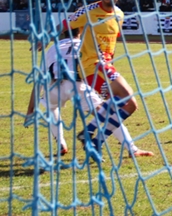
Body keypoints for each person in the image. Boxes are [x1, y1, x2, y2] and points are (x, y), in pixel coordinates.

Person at [54, 0, 152, 158]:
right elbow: (64, 24)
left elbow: (112, 42)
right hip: (93, 65)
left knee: (120, 107)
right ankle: (91, 134)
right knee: (129, 102)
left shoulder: (119, 15)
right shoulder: (89, 11)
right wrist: (44, 38)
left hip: (106, 66)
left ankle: (95, 139)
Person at [25, 27, 148, 158]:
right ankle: (132, 149)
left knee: (51, 108)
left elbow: (39, 80)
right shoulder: (87, 45)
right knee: (107, 115)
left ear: (62, 33)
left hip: (54, 86)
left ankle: (61, 144)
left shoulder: (52, 48)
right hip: (78, 85)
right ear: (81, 32)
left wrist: (30, 110)